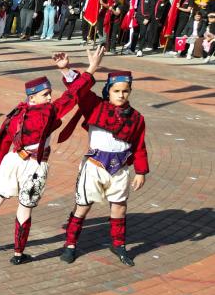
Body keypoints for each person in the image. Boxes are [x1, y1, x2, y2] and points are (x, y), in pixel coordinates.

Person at [0, 54, 83, 264]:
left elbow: (3, 137)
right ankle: (18, 254)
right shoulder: (49, 112)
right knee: (24, 207)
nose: (49, 98)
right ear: (32, 97)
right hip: (34, 166)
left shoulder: (17, 113)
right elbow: (74, 95)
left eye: (50, 94)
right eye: (45, 94)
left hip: (12, 162)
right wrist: (75, 70)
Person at [56, 46, 150, 266]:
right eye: (116, 91)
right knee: (83, 206)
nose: (121, 95)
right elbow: (78, 91)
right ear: (108, 90)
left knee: (119, 207)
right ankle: (70, 244)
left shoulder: (137, 117)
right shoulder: (94, 106)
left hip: (120, 170)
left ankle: (118, 244)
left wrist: (141, 171)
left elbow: (139, 145)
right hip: (95, 166)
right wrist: (67, 70)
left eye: (125, 91)